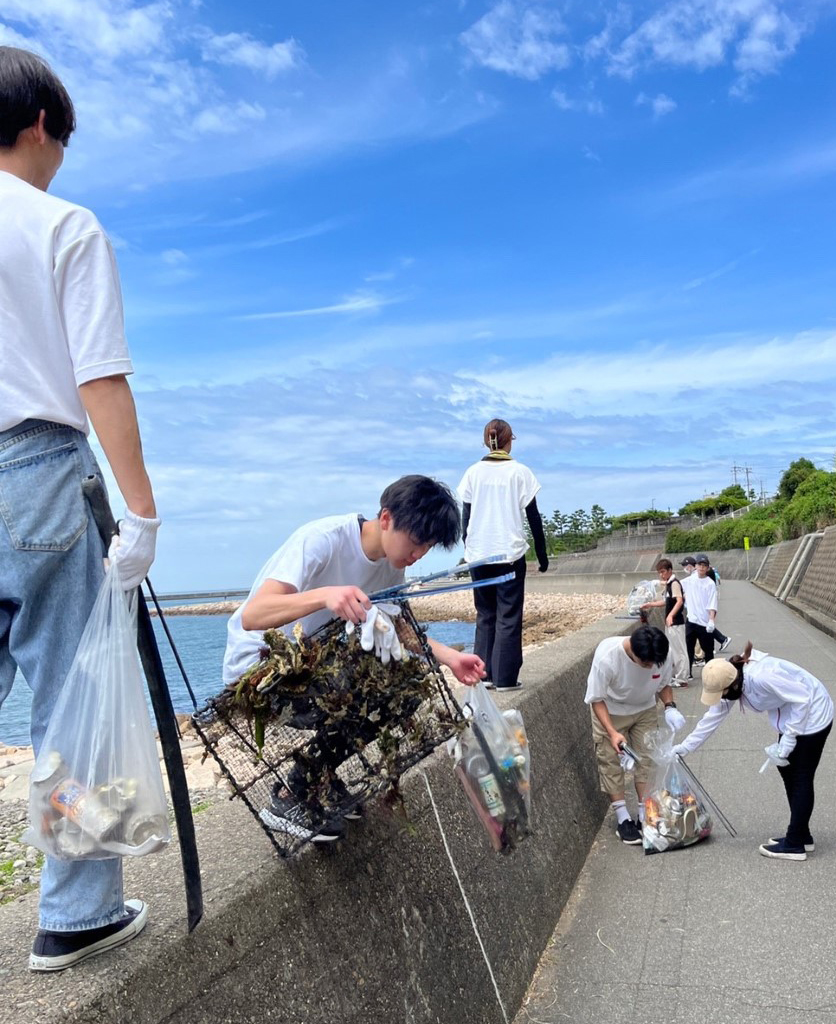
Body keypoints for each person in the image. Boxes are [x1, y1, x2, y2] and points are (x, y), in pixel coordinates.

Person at [0, 47, 159, 971]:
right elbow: (101, 379)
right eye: (63, 136)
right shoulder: (62, 223)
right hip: (36, 468)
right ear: (39, 126)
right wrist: (140, 513)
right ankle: (75, 912)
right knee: (72, 692)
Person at [223, 475, 486, 842]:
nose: (418, 555)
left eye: (426, 548)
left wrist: (448, 658)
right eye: (416, 542)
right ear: (386, 518)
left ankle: (317, 778)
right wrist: (326, 595)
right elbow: (253, 614)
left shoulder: (392, 564)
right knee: (362, 683)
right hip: (260, 672)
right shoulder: (322, 540)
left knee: (405, 686)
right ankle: (290, 794)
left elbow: (397, 627)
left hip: (315, 668)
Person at [673, 647, 833, 861]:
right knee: (787, 771)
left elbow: (802, 699)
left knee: (801, 776)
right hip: (793, 716)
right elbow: (711, 720)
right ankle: (802, 834)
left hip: (813, 714)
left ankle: (795, 843)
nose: (722, 699)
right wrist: (684, 747)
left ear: (734, 684)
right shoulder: (732, 679)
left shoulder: (762, 677)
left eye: (722, 694)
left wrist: (789, 738)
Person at [457, 419, 547, 691]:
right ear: (509, 441)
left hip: (478, 555)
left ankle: (484, 676)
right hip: (509, 554)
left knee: (485, 614)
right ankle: (505, 679)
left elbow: (466, 517)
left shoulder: (473, 472)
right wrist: (542, 556)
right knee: (508, 615)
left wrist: (468, 547)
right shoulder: (519, 472)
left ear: (487, 441)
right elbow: (533, 517)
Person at [584, 625, 684, 845]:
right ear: (634, 654)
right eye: (646, 664)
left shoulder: (660, 655)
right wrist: (611, 733)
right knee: (610, 762)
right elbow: (596, 699)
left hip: (645, 709)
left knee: (646, 760)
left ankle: (643, 813)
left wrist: (670, 706)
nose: (650, 668)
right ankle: (622, 819)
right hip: (611, 711)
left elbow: (664, 684)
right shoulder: (608, 658)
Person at [641, 558, 690, 686]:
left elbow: (679, 601)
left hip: (676, 622)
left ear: (670, 570)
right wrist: (650, 604)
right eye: (659, 572)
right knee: (673, 650)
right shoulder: (669, 583)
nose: (661, 575)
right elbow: (666, 601)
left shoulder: (674, 583)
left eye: (663, 571)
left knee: (679, 651)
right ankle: (678, 676)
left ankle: (682, 679)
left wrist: (671, 616)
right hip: (672, 623)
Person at [680, 555, 719, 674]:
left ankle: (710, 674)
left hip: (704, 622)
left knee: (708, 650)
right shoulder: (689, 581)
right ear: (695, 566)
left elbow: (712, 603)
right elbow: (675, 585)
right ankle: (688, 673)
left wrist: (711, 620)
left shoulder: (710, 583)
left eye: (704, 565)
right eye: (700, 565)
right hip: (691, 621)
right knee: (689, 648)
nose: (702, 567)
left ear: (707, 568)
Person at [694, 553, 730, 650]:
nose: (701, 567)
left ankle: (722, 640)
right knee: (707, 625)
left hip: (706, 605)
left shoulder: (707, 576)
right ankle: (722, 640)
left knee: (706, 625)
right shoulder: (706, 573)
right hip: (707, 604)